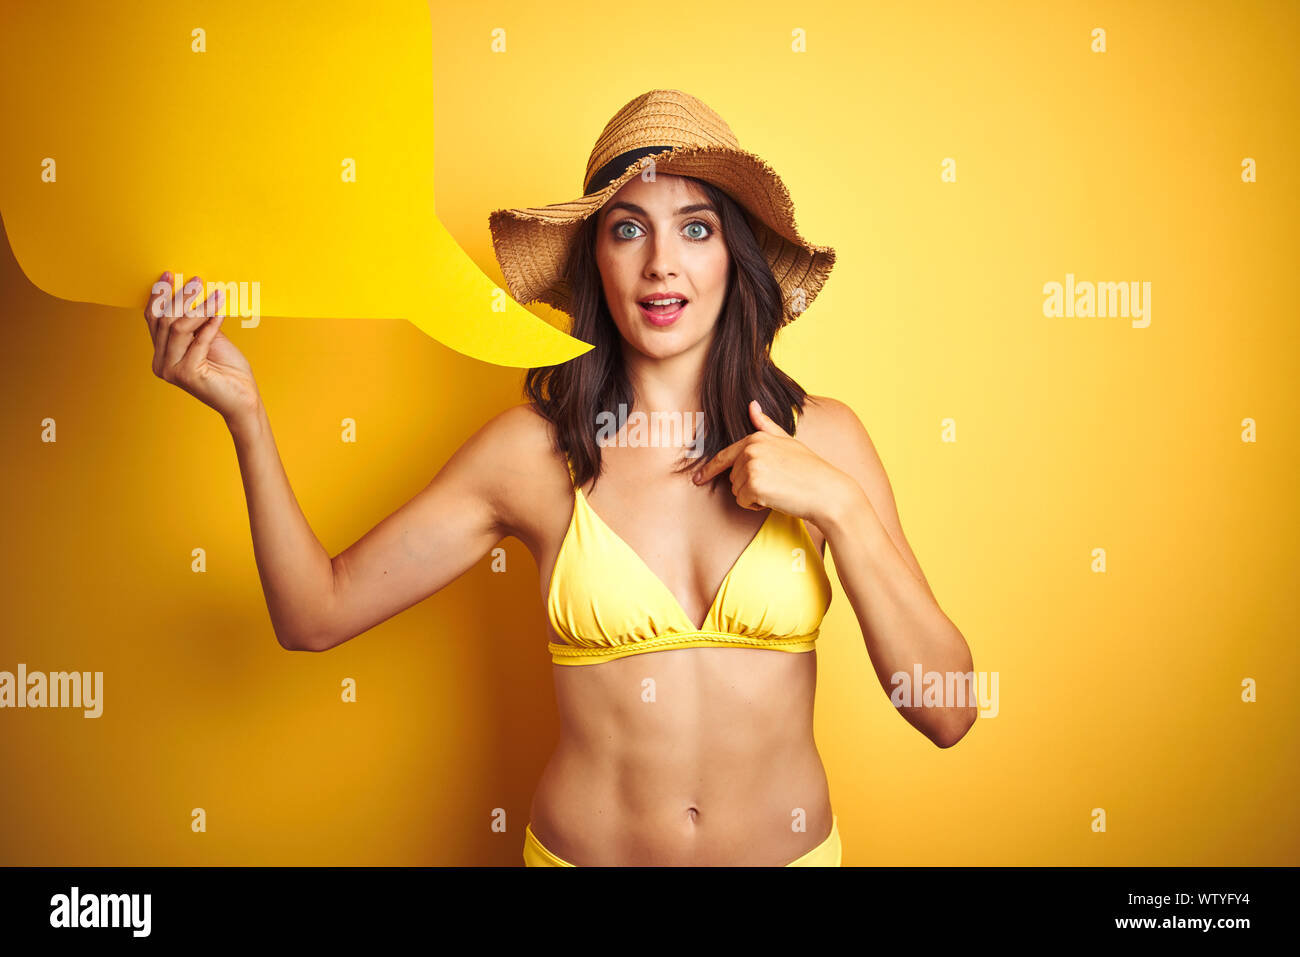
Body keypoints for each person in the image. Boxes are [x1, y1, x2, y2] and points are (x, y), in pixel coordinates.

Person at [142, 89, 976, 867]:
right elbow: (313, 614)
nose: (660, 263)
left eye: (695, 228)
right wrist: (246, 415)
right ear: (594, 261)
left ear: (735, 257)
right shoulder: (530, 454)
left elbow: (947, 711)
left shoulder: (825, 438)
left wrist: (836, 502)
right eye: (626, 229)